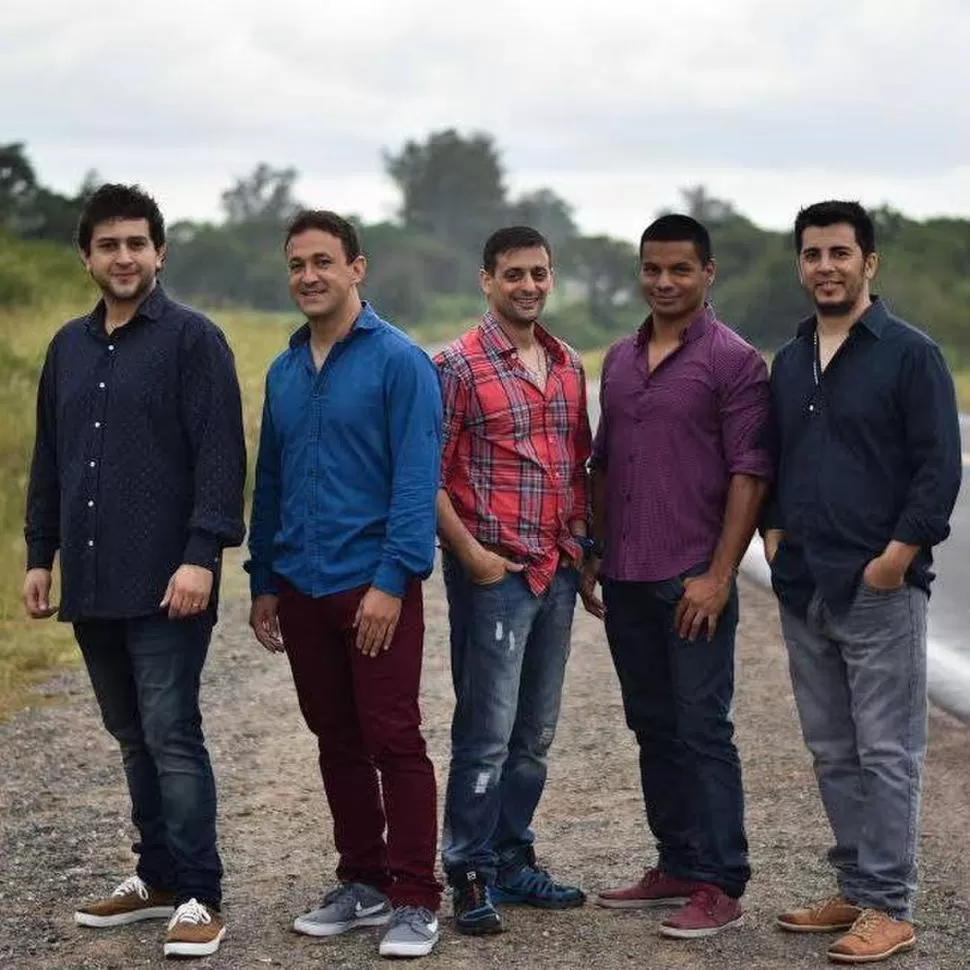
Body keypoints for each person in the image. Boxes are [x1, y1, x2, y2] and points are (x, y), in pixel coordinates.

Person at [23, 183, 246, 958]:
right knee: (130, 735)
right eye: (109, 245)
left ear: (160, 253)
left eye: (137, 244)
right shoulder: (68, 347)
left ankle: (199, 893)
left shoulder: (194, 340)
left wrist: (200, 557)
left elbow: (220, 457)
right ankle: (155, 878)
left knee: (171, 733)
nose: (124, 258)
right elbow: (50, 458)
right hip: (92, 579)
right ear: (87, 257)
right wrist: (39, 555)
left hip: (168, 583)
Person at [764, 200, 961, 965]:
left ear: (868, 262)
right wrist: (774, 533)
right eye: (813, 254)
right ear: (800, 264)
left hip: (881, 588)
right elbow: (776, 457)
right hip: (804, 583)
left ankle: (890, 907)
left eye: (840, 253)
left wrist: (896, 556)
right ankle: (854, 887)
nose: (826, 267)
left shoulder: (911, 355)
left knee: (887, 751)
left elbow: (938, 469)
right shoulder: (790, 360)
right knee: (831, 749)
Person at [245, 209, 443, 959]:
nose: (309, 276)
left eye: (323, 261)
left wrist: (392, 581)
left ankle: (416, 897)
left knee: (394, 737)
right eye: (297, 264)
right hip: (300, 583)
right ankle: (363, 880)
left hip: (372, 585)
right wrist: (264, 578)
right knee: (335, 737)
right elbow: (271, 482)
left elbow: (416, 480)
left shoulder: (400, 361)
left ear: (357, 268)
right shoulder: (285, 370)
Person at [582, 214, 772, 938]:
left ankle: (721, 882)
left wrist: (720, 576)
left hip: (693, 578)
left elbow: (750, 474)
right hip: (628, 575)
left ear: (707, 273)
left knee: (702, 728)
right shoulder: (620, 358)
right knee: (652, 725)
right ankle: (678, 863)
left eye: (680, 269)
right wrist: (595, 550)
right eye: (652, 269)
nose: (664, 282)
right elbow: (604, 461)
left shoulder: (735, 361)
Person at [433, 226, 591, 935]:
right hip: (493, 574)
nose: (529, 286)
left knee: (535, 733)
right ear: (487, 280)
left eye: (539, 273)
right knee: (486, 731)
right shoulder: (456, 366)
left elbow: (576, 466)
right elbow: (428, 476)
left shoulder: (567, 363)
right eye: (514, 274)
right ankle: (468, 871)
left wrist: (582, 550)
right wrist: (471, 555)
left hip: (555, 572)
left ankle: (512, 857)